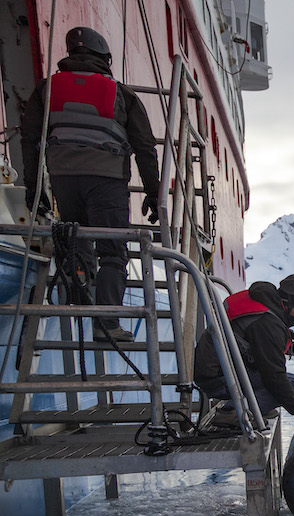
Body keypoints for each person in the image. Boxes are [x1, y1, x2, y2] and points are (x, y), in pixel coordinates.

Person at [19, 26, 161, 343]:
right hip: (107, 181)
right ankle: (107, 322)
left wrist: (34, 188)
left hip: (63, 178)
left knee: (75, 235)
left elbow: (31, 140)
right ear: (104, 58)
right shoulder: (121, 93)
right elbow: (145, 146)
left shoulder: (46, 88)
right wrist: (153, 193)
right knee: (112, 250)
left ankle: (80, 293)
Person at [194, 274, 294, 433]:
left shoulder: (263, 305)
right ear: (289, 303)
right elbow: (274, 375)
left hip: (219, 369)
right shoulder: (267, 323)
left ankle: (256, 408)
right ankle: (233, 413)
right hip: (218, 378)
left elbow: (259, 344)